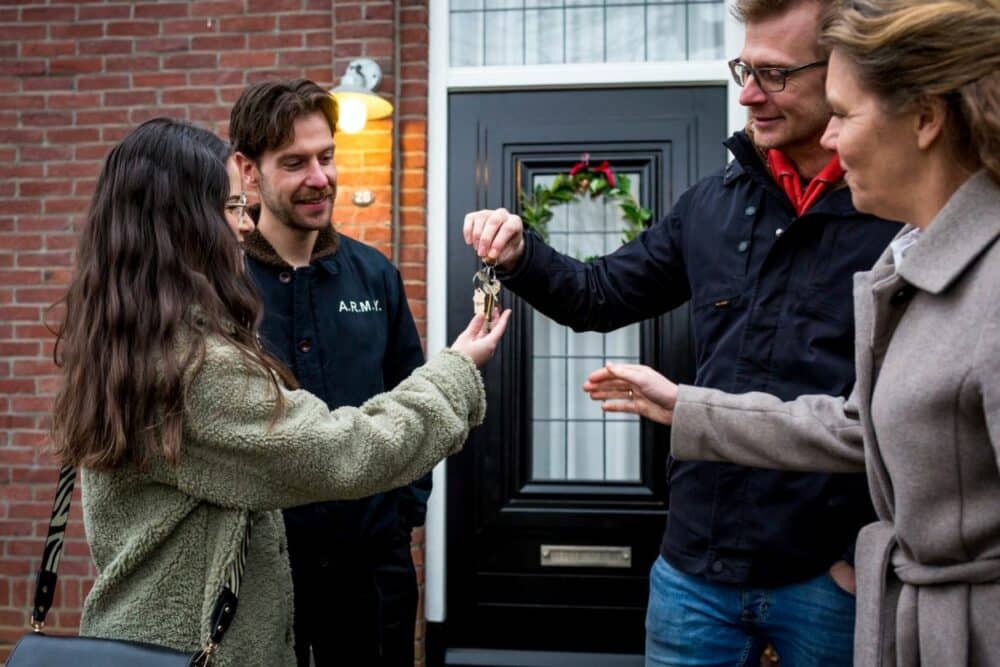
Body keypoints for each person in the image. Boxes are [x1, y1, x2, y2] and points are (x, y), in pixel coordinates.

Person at [464, 0, 903, 662]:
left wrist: (855, 554)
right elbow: (599, 295)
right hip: (695, 573)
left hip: (830, 579)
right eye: (743, 70)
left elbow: (911, 414)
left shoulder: (895, 212)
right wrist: (522, 252)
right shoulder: (712, 205)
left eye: (775, 74)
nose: (750, 94)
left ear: (842, 71)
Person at [584, 0, 1000, 664]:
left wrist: (857, 558)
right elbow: (857, 425)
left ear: (924, 117)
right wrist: (688, 406)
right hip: (721, 569)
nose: (832, 141)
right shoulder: (911, 256)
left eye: (844, 114)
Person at [52, 117, 511, 667]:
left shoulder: (122, 337)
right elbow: (342, 451)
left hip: (144, 636)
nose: (244, 227)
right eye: (230, 208)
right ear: (185, 224)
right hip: (199, 651)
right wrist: (458, 370)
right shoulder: (193, 367)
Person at [228, 78, 431, 667]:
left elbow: (413, 395)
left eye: (326, 156)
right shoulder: (221, 287)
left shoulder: (375, 276)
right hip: (261, 571)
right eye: (294, 163)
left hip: (371, 565)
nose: (320, 178)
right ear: (249, 171)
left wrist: (402, 516)